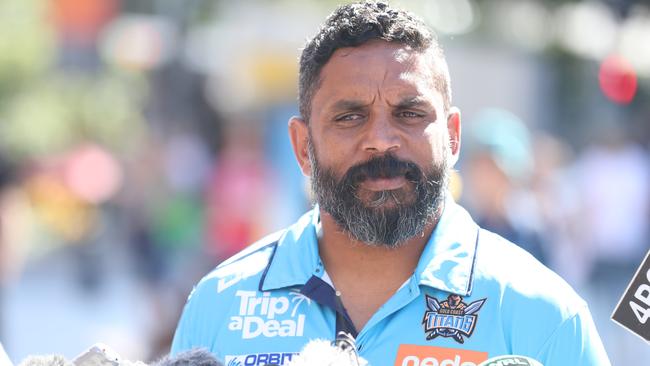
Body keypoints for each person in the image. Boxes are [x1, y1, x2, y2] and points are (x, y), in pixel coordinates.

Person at [171, 2, 610, 365]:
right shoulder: (218, 306)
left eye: (410, 113)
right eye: (350, 117)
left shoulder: (546, 316)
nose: (381, 140)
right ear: (303, 146)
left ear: (453, 136)